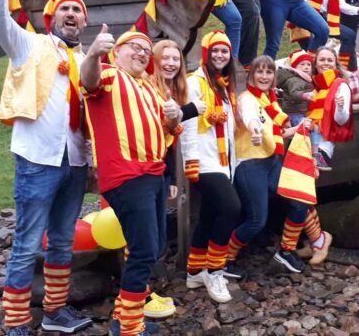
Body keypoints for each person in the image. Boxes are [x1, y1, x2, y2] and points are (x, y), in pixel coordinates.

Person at [0, 0, 92, 335]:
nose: (71, 14)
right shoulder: (27, 46)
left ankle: (55, 312)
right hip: (37, 161)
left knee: (62, 241)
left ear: (85, 20)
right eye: (65, 9)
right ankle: (16, 322)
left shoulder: (90, 60)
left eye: (77, 10)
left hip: (76, 162)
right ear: (52, 17)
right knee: (28, 242)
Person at [80, 28, 183, 336]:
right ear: (117, 52)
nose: (141, 53)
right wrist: (93, 53)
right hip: (127, 175)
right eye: (134, 47)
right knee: (143, 250)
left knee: (155, 245)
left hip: (154, 174)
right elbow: (88, 80)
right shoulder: (109, 74)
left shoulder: (149, 87)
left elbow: (167, 131)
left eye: (145, 50)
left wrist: (174, 117)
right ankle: (129, 327)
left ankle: (122, 315)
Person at [228, 56, 319, 274]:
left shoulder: (269, 101)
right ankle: (222, 259)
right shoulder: (247, 99)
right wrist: (254, 130)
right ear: (251, 75)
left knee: (300, 200)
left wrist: (301, 127)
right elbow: (250, 119)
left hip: (271, 161)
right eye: (259, 72)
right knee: (257, 221)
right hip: (250, 164)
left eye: (268, 72)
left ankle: (286, 251)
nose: (264, 76)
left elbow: (278, 133)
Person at [144, 39, 206, 316]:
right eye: (165, 58)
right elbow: (159, 124)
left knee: (156, 236)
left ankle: (143, 290)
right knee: (144, 236)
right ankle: (138, 297)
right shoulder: (148, 87)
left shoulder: (172, 90)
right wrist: (191, 110)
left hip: (159, 169)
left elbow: (168, 140)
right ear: (155, 61)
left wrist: (170, 177)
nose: (170, 63)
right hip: (141, 170)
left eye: (175, 59)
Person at [181, 31, 242, 303]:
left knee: (210, 212)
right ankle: (215, 270)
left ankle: (195, 271)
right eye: (215, 51)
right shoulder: (194, 82)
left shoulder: (224, 86)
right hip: (204, 160)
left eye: (224, 51)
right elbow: (188, 124)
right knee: (231, 208)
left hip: (222, 161)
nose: (219, 55)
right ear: (206, 54)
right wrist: (190, 160)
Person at [305, 46, 354, 170]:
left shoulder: (340, 85)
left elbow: (341, 121)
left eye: (330, 60)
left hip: (324, 145)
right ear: (315, 64)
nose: (326, 63)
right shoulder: (314, 85)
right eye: (322, 60)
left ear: (335, 64)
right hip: (306, 140)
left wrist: (340, 107)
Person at [276, 49, 315, 123]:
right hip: (294, 113)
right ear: (295, 67)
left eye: (309, 64)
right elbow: (294, 93)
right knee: (303, 126)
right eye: (302, 64)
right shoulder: (295, 80)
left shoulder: (306, 78)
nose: (306, 67)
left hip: (302, 111)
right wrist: (304, 95)